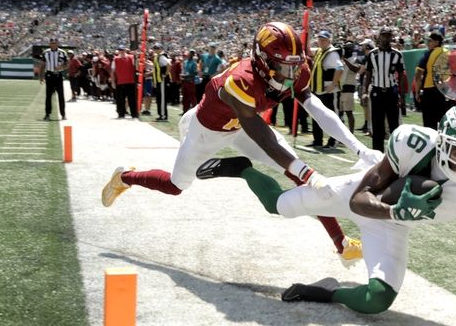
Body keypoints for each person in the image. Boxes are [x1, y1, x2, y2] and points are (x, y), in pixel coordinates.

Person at [197, 104, 456, 325]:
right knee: (278, 207)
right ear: (442, 140)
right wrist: (395, 208)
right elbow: (359, 200)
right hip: (359, 196)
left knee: (376, 301)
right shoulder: (412, 143)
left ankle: (324, 293)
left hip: (393, 223)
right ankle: (244, 168)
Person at [101, 22, 383, 263]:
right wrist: (307, 173)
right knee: (176, 186)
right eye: (282, 66)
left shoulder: (294, 69)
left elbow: (317, 108)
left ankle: (341, 244)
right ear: (262, 61)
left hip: (243, 126)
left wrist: (358, 147)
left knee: (301, 176)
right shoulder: (241, 81)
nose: (291, 74)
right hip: (208, 130)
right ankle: (125, 177)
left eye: (293, 66)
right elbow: (265, 137)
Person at [362, 28, 405, 152]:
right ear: (379, 37)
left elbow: (401, 75)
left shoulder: (397, 54)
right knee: (377, 125)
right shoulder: (372, 54)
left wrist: (401, 95)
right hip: (377, 92)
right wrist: (365, 92)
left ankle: (396, 153)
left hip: (391, 92)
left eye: (388, 36)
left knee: (394, 125)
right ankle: (377, 154)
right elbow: (368, 74)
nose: (386, 38)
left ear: (391, 37)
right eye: (384, 36)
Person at [309, 30, 343, 149]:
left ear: (329, 41)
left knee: (332, 116)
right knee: (317, 115)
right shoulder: (319, 51)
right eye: (320, 39)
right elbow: (307, 50)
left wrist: (333, 84)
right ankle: (317, 140)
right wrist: (307, 34)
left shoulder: (332, 53)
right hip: (318, 89)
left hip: (329, 91)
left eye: (324, 40)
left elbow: (340, 67)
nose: (321, 42)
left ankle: (334, 141)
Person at [414, 30, 451, 129]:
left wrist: (417, 91)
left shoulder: (429, 54)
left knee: (429, 123)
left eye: (430, 41)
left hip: (430, 90)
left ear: (436, 42)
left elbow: (418, 74)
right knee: (442, 122)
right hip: (445, 91)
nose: (428, 43)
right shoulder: (449, 52)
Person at [40, 38, 68, 121]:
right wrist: (41, 77)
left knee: (61, 96)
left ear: (57, 44)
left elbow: (67, 64)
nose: (53, 44)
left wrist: (61, 67)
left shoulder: (62, 52)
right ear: (49, 44)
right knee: (48, 96)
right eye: (52, 43)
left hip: (58, 76)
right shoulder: (46, 53)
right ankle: (47, 114)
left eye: (55, 43)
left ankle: (63, 114)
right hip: (49, 75)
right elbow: (42, 65)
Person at [111, 44, 138, 119]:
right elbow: (112, 71)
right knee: (120, 100)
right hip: (120, 82)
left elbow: (136, 66)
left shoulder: (131, 57)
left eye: (122, 50)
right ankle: (121, 113)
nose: (121, 51)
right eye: (120, 50)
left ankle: (134, 114)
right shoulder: (115, 59)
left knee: (132, 99)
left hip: (130, 82)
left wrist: (136, 57)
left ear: (125, 50)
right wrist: (113, 82)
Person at [339, 40, 360, 133]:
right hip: (340, 88)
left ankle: (351, 132)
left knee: (349, 112)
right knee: (340, 113)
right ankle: (341, 133)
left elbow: (355, 69)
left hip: (349, 87)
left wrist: (345, 60)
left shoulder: (355, 58)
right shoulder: (341, 59)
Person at [152, 42, 170, 122]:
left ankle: (163, 116)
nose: (156, 50)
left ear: (161, 49)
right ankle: (161, 115)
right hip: (159, 80)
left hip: (162, 80)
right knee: (159, 98)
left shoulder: (161, 57)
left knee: (162, 99)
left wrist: (165, 74)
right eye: (155, 48)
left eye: (158, 48)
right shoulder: (157, 57)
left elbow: (169, 64)